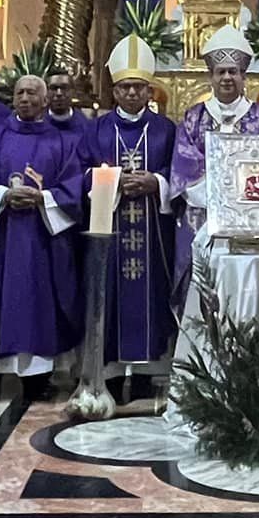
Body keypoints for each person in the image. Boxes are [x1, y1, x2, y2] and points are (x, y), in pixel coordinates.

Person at [0, 74, 84, 394]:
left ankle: (37, 378)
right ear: (12, 99)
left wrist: (43, 198)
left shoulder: (63, 142)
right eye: (20, 92)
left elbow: (75, 186)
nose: (26, 98)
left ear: (46, 101)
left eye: (33, 93)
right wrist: (2, 195)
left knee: (38, 303)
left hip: (42, 239)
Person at [85, 34, 178, 384]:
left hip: (153, 234)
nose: (133, 94)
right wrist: (113, 182)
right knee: (110, 298)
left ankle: (144, 374)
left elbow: (178, 174)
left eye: (140, 87)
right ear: (114, 91)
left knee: (151, 298)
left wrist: (156, 182)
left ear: (151, 91)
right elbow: (81, 171)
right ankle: (109, 375)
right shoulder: (97, 129)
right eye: (126, 87)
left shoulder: (166, 130)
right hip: (111, 230)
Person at [170, 24, 259, 272]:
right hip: (202, 215)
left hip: (250, 215)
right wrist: (221, 197)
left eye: (233, 72)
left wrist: (241, 196)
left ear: (244, 77)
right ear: (211, 77)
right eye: (221, 72)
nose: (227, 78)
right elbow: (184, 169)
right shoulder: (193, 118)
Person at [44, 68, 91, 150]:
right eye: (54, 88)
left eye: (64, 88)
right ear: (46, 92)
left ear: (73, 91)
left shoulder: (85, 126)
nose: (59, 93)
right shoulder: (37, 123)